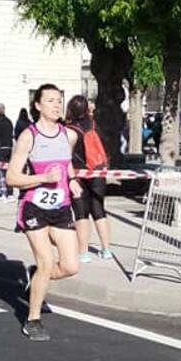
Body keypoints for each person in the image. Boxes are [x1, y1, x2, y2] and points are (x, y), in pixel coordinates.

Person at [6, 83, 83, 341]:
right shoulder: (29, 136)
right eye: (50, 100)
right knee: (47, 262)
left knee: (71, 266)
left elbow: (66, 163)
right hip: (33, 207)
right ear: (38, 105)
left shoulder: (69, 135)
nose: (56, 105)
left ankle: (35, 276)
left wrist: (72, 180)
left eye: (59, 100)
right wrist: (43, 178)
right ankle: (33, 320)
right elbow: (12, 178)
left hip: (61, 207)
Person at [66, 95, 112, 263]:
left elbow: (66, 156)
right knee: (99, 210)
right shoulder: (94, 125)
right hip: (97, 172)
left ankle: (83, 252)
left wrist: (70, 177)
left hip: (78, 174)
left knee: (81, 213)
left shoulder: (69, 130)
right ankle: (106, 249)